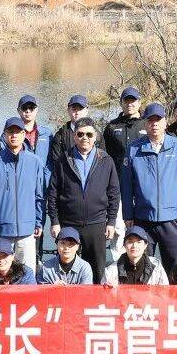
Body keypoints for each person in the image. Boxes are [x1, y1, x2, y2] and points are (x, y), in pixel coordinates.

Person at [45, 117, 119, 284]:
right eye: (80, 134)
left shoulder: (105, 160)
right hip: (69, 223)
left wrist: (111, 221)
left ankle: (96, 299)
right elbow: (53, 193)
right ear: (74, 136)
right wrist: (54, 221)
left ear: (95, 136)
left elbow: (114, 192)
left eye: (89, 134)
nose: (84, 138)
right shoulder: (64, 160)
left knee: (97, 269)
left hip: (96, 222)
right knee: (67, 266)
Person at [120, 103, 177, 272]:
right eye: (150, 120)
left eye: (158, 120)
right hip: (142, 218)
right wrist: (128, 214)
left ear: (165, 122)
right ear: (144, 123)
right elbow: (126, 185)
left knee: (176, 265)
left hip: (171, 218)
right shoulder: (134, 149)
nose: (154, 124)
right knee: (142, 267)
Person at [0, 117, 46, 272]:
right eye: (10, 132)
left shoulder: (35, 161)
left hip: (27, 230)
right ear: (4, 135)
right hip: (1, 231)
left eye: (18, 132)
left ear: (24, 134)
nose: (14, 135)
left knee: (27, 273)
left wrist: (39, 222)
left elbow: (40, 196)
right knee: (1, 272)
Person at [104, 226, 169, 285]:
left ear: (145, 245)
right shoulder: (111, 270)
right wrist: (110, 289)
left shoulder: (156, 266)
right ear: (124, 245)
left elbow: (165, 291)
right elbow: (103, 292)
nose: (134, 246)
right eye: (130, 242)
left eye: (139, 242)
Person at [50, 94, 102, 164]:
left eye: (80, 109)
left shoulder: (97, 135)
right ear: (68, 110)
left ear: (87, 110)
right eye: (74, 109)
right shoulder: (60, 135)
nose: (77, 113)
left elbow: (102, 161)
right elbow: (57, 162)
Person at [104, 86, 146, 170]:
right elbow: (105, 154)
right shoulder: (112, 126)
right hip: (119, 174)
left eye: (133, 100)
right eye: (126, 101)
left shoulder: (147, 124)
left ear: (139, 103)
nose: (129, 104)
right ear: (121, 103)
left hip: (142, 173)